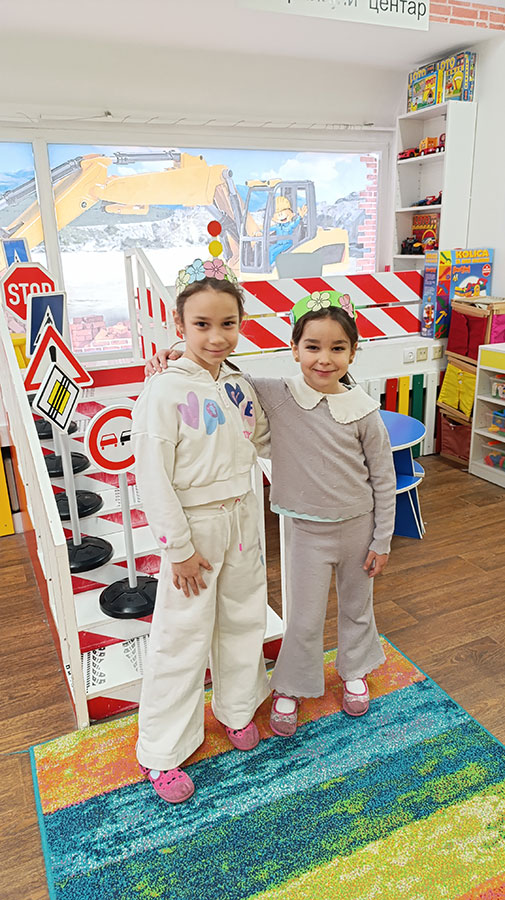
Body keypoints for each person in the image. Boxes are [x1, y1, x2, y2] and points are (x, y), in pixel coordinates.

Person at [146, 289, 396, 738]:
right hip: (292, 531)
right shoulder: (272, 392)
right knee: (298, 617)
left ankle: (348, 672)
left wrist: (382, 539)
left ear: (353, 352)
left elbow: (382, 477)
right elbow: (218, 376)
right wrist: (178, 354)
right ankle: (291, 685)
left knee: (349, 609)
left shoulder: (362, 411)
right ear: (294, 349)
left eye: (337, 348)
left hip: (345, 528)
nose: (324, 359)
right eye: (312, 346)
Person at [131, 264, 271, 804]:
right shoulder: (162, 392)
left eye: (228, 323)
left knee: (243, 618)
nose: (216, 336)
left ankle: (237, 707)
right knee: (182, 636)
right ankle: (161, 750)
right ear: (179, 325)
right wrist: (180, 550)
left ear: (241, 323)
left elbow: (264, 438)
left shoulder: (239, 384)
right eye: (202, 324)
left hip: (243, 520)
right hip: (194, 529)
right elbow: (153, 478)